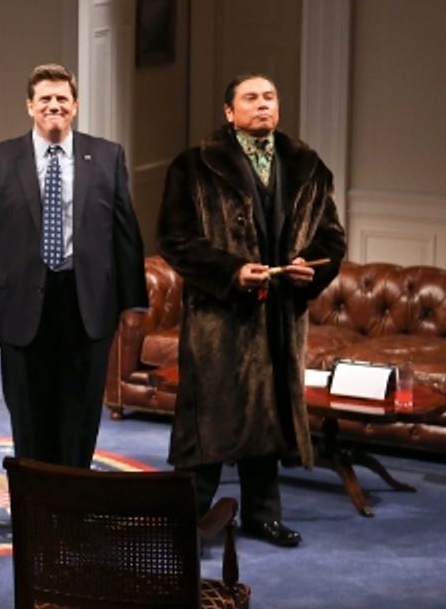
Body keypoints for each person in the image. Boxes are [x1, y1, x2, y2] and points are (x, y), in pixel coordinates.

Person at [157, 73, 346, 548]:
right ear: (229, 111)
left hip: (281, 315)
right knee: (208, 419)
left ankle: (262, 515)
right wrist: (231, 271)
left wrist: (314, 269)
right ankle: (186, 517)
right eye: (250, 98)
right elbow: (175, 240)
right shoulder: (194, 166)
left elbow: (332, 238)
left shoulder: (307, 165)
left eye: (269, 97)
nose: (262, 105)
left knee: (269, 414)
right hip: (219, 319)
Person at [0, 64, 146, 468]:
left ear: (75, 106)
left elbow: (126, 236)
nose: (54, 105)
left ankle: (73, 506)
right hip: (21, 307)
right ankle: (35, 513)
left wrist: (133, 304)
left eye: (62, 98)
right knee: (28, 416)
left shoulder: (108, 156)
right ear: (30, 106)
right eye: (45, 99)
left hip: (87, 304)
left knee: (80, 417)